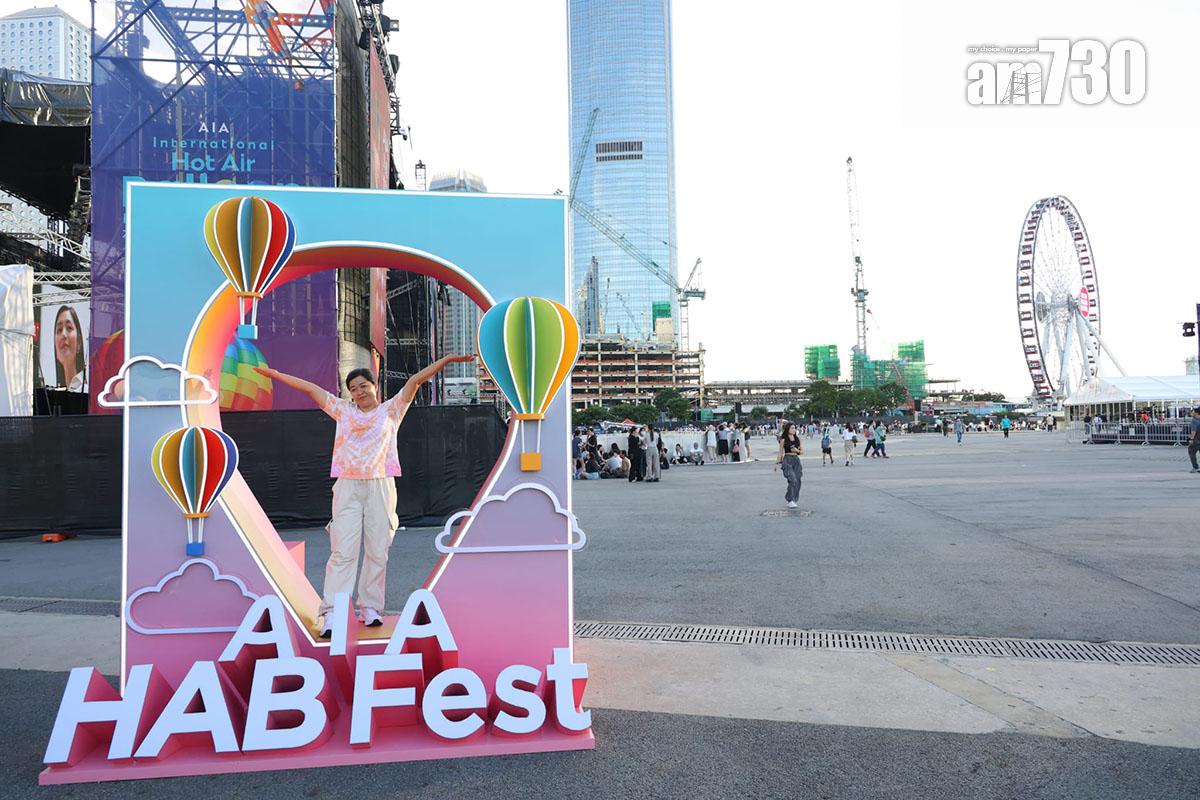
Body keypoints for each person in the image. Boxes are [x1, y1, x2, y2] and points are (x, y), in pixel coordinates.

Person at [256, 354, 473, 637]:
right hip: (347, 486)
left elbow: (416, 381)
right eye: (353, 388)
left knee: (377, 550)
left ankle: (370, 607)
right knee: (342, 551)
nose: (358, 392)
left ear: (374, 386)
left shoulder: (391, 410)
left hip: (381, 485)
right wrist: (276, 374)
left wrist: (447, 360)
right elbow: (310, 388)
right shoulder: (343, 410)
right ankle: (333, 612)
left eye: (363, 386)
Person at [52, 305, 87, 392]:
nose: (63, 334)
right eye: (59, 330)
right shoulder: (54, 394)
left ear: (79, 342)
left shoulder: (87, 390)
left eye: (69, 328)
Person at [775, 421, 804, 508]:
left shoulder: (798, 439)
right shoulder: (783, 439)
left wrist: (797, 450)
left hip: (796, 460)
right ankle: (790, 499)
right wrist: (776, 464)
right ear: (787, 429)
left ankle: (794, 499)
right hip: (787, 460)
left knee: (798, 481)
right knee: (792, 480)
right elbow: (780, 452)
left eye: (794, 428)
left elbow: (802, 452)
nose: (794, 430)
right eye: (792, 428)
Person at [1189, 407, 1200, 473]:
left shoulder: (1194, 420)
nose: (1192, 413)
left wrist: (1191, 439)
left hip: (1196, 440)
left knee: (1191, 452)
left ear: (1196, 413)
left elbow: (1193, 431)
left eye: (1193, 411)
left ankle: (1195, 467)